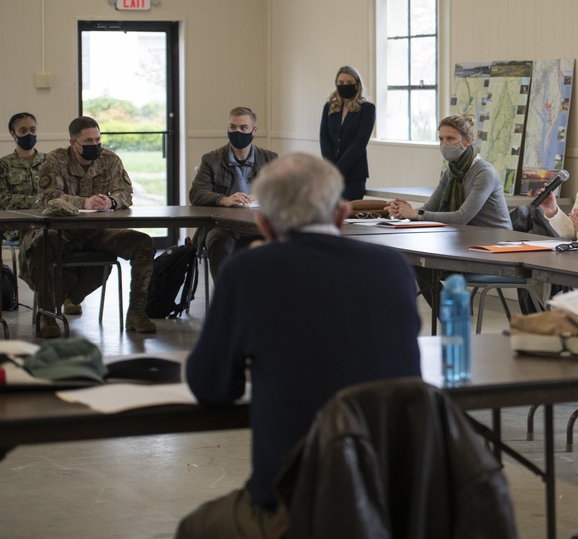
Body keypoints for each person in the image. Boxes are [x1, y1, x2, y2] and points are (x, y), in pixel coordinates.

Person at [177, 152, 422, 538]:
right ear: (342, 215)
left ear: (263, 224)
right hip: (396, 498)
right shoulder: (394, 268)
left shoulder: (246, 272)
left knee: (195, 528)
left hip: (296, 504)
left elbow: (211, 386)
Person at [21, 116, 157, 336]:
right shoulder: (55, 161)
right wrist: (83, 202)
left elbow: (125, 192)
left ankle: (137, 314)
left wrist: (111, 201)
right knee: (41, 244)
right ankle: (47, 315)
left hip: (98, 232)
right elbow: (48, 196)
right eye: (88, 142)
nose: (94, 146)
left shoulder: (110, 160)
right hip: (62, 232)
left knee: (142, 243)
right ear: (73, 143)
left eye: (97, 140)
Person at [385, 114, 511, 305]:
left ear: (467, 141)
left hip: (492, 248)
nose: (444, 144)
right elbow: (429, 208)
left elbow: (461, 217)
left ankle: (456, 318)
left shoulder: (484, 172)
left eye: (450, 139)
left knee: (426, 264)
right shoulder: (451, 172)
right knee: (419, 262)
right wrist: (404, 211)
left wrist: (415, 214)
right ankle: (453, 316)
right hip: (464, 244)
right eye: (441, 139)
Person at [189, 107, 278, 280]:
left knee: (276, 245)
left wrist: (263, 196)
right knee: (217, 242)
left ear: (254, 131)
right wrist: (223, 200)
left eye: (243, 128)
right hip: (224, 226)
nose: (237, 132)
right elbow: (196, 193)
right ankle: (226, 299)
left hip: (258, 225)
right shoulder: (211, 159)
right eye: (232, 127)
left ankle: (263, 300)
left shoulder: (270, 159)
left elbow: (284, 192)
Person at [319, 65, 375, 200]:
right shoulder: (329, 107)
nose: (345, 85)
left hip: (354, 175)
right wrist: (331, 169)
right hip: (330, 174)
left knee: (348, 216)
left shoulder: (367, 109)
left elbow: (359, 143)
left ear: (357, 84)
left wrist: (338, 170)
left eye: (349, 83)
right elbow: (324, 138)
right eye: (341, 83)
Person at [0, 112, 45, 242]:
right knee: (36, 238)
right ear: (12, 133)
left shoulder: (49, 161)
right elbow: (1, 200)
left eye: (33, 130)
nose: (29, 134)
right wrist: (37, 201)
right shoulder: (3, 165)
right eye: (23, 130)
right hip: (17, 226)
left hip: (48, 222)